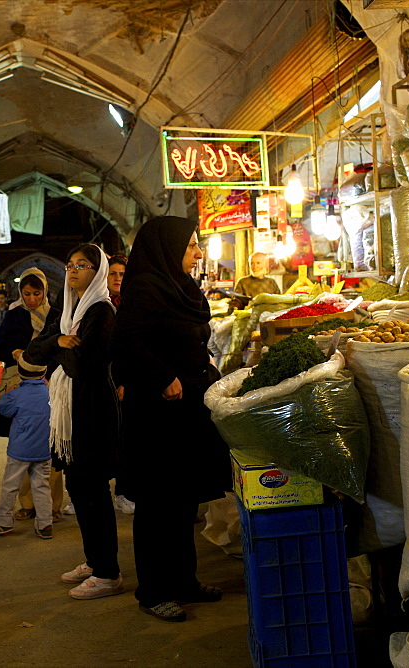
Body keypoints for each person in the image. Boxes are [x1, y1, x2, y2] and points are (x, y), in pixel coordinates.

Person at [113, 216, 231, 622]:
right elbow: (127, 343)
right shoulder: (146, 290)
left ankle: (184, 581)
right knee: (157, 505)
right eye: (191, 246)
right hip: (157, 417)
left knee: (182, 503)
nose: (198, 253)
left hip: (187, 413)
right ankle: (153, 591)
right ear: (166, 248)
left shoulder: (182, 289)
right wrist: (162, 376)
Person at [25, 244, 122, 600]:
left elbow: (84, 365)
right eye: (70, 264)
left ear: (97, 271)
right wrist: (60, 341)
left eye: (82, 264)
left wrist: (57, 352)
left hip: (92, 412)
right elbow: (34, 352)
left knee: (93, 491)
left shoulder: (102, 311)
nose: (73, 270)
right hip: (68, 414)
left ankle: (108, 572)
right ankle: (95, 561)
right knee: (79, 490)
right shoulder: (67, 313)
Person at [0, 267, 63, 522]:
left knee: (52, 449)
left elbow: (62, 350)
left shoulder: (56, 315)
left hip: (50, 388)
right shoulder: (14, 316)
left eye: (37, 293)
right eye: (27, 294)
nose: (32, 299)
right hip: (21, 388)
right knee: (22, 446)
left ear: (45, 291)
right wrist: (13, 351)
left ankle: (53, 506)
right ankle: (27, 504)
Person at [0, 355, 54, 540]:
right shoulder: (51, 393)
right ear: (44, 372)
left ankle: (3, 522)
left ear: (21, 373)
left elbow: (4, 409)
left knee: (10, 486)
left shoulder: (16, 394)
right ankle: (45, 524)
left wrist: (9, 392)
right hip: (43, 449)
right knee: (42, 486)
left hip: (20, 451)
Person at [107, 253, 134, 516]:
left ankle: (123, 491)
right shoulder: (100, 304)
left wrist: (125, 380)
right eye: (113, 273)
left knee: (125, 439)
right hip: (103, 380)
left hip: (124, 383)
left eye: (122, 274)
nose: (117, 279)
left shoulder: (133, 303)